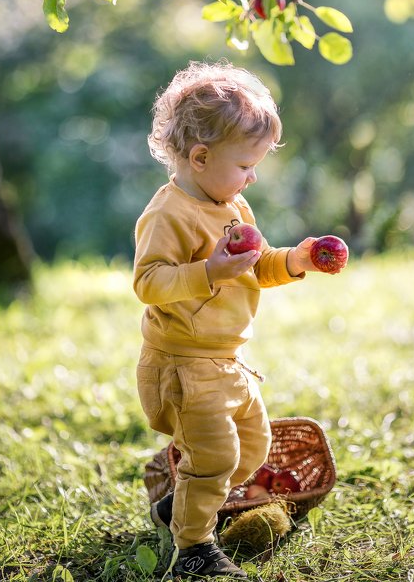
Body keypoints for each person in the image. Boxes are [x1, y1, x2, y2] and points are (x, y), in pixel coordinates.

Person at [133, 60, 320, 579]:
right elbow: (149, 282)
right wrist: (208, 270)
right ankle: (193, 551)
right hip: (184, 365)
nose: (252, 177)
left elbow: (254, 267)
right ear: (199, 157)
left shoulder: (232, 205)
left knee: (252, 447)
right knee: (214, 459)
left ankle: (179, 506)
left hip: (227, 360)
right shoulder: (167, 214)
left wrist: (295, 261)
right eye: (245, 165)